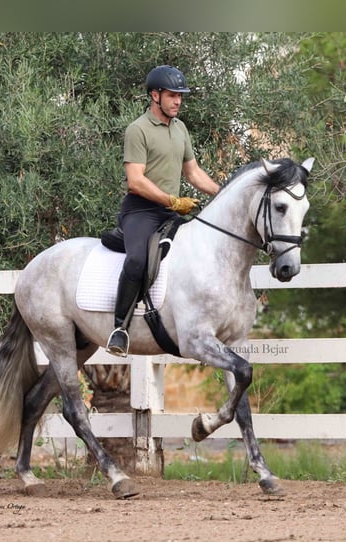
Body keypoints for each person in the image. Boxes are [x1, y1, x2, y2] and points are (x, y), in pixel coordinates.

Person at [107, 65, 220, 357]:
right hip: (141, 211)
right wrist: (172, 201)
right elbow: (136, 180)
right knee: (136, 261)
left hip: (170, 211)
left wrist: (222, 193)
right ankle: (120, 328)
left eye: (180, 96)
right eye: (172, 96)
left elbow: (193, 173)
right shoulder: (138, 130)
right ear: (155, 95)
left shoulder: (180, 128)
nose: (178, 101)